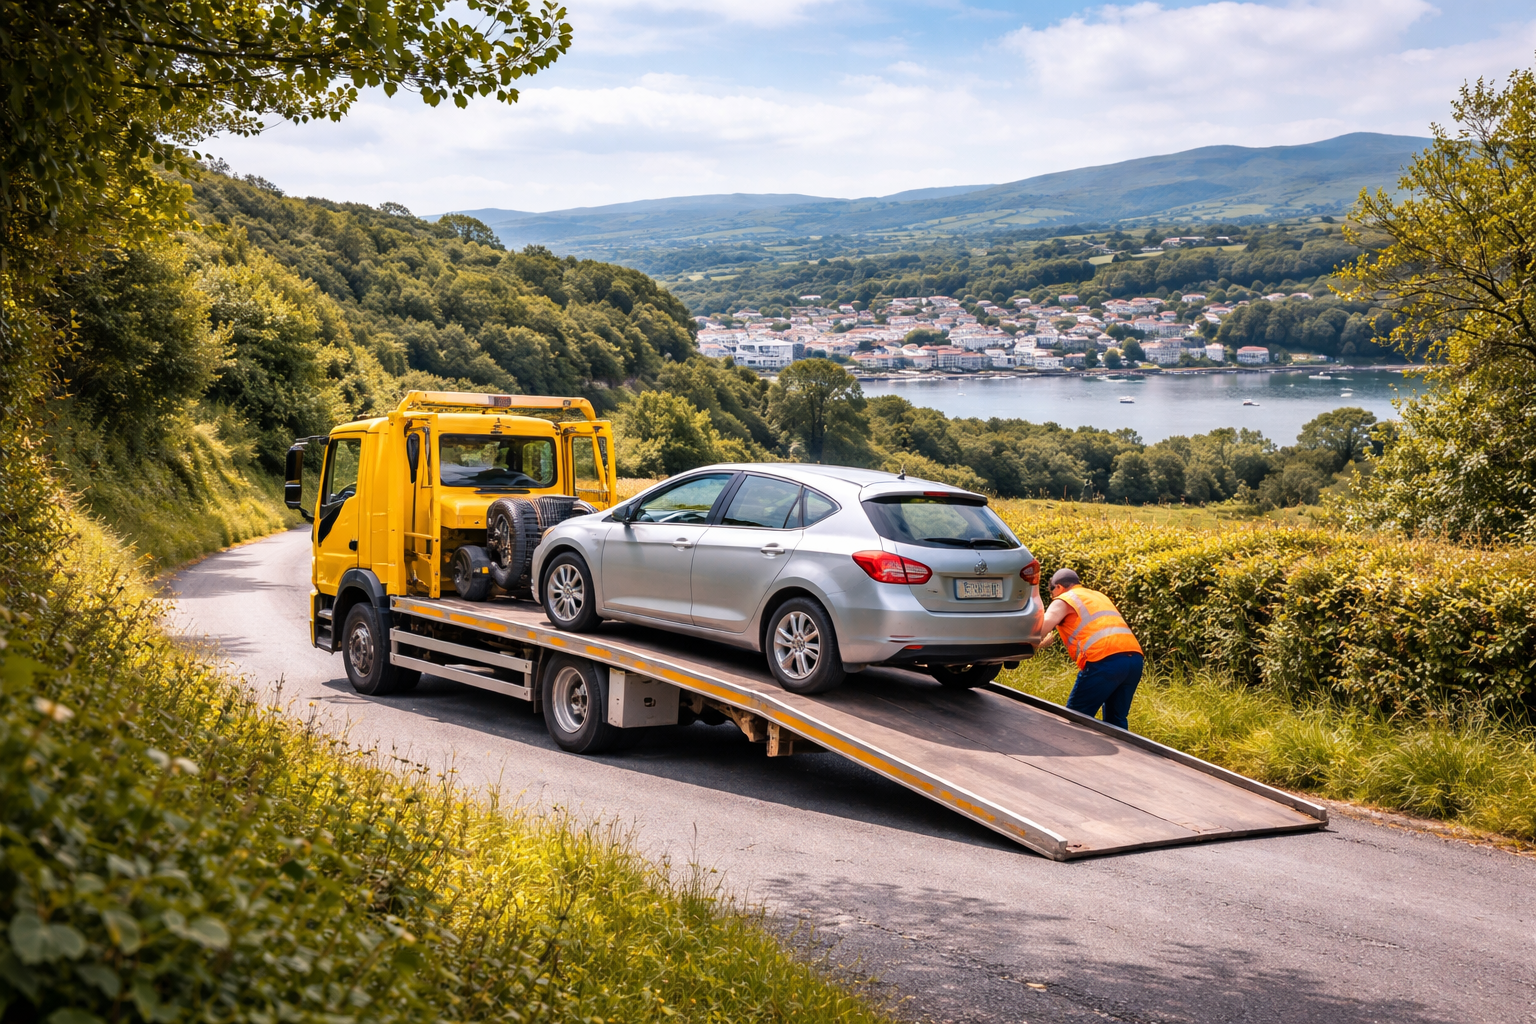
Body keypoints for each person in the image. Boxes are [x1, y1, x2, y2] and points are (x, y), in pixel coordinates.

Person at [1035, 568, 1144, 730]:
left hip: (1105, 660)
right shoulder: (1098, 596)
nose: (1052, 596)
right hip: (1134, 660)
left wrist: (1038, 644)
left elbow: (1040, 629)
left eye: (1052, 591)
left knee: (1076, 719)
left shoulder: (1065, 599)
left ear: (1058, 587)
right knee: (1116, 723)